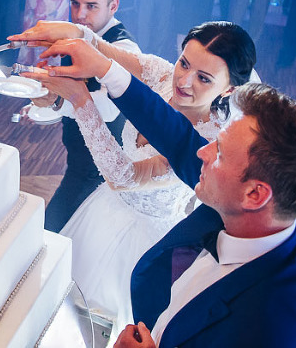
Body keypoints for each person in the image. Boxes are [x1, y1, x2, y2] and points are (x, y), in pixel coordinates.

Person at [29, 39, 296, 348]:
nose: (202, 152)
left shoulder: (276, 328)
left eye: (219, 152)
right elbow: (181, 140)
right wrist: (100, 65)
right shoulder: (279, 203)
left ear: (255, 195)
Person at [18, 21, 254, 339]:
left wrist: (79, 100)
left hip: (142, 241)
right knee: (57, 304)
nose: (184, 80)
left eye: (204, 78)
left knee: (94, 328)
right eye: (184, 63)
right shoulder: (162, 74)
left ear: (229, 89)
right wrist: (72, 32)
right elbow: (103, 51)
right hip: (102, 209)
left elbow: (125, 177)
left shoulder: (209, 142)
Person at [11, 0, 139, 232]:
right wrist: (41, 103)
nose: (80, 15)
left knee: (52, 232)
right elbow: (68, 91)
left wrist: (56, 101)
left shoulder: (124, 48)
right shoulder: (75, 33)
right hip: (78, 158)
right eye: (75, 3)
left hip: (99, 169)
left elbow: (110, 109)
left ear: (114, 6)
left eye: (91, 6)